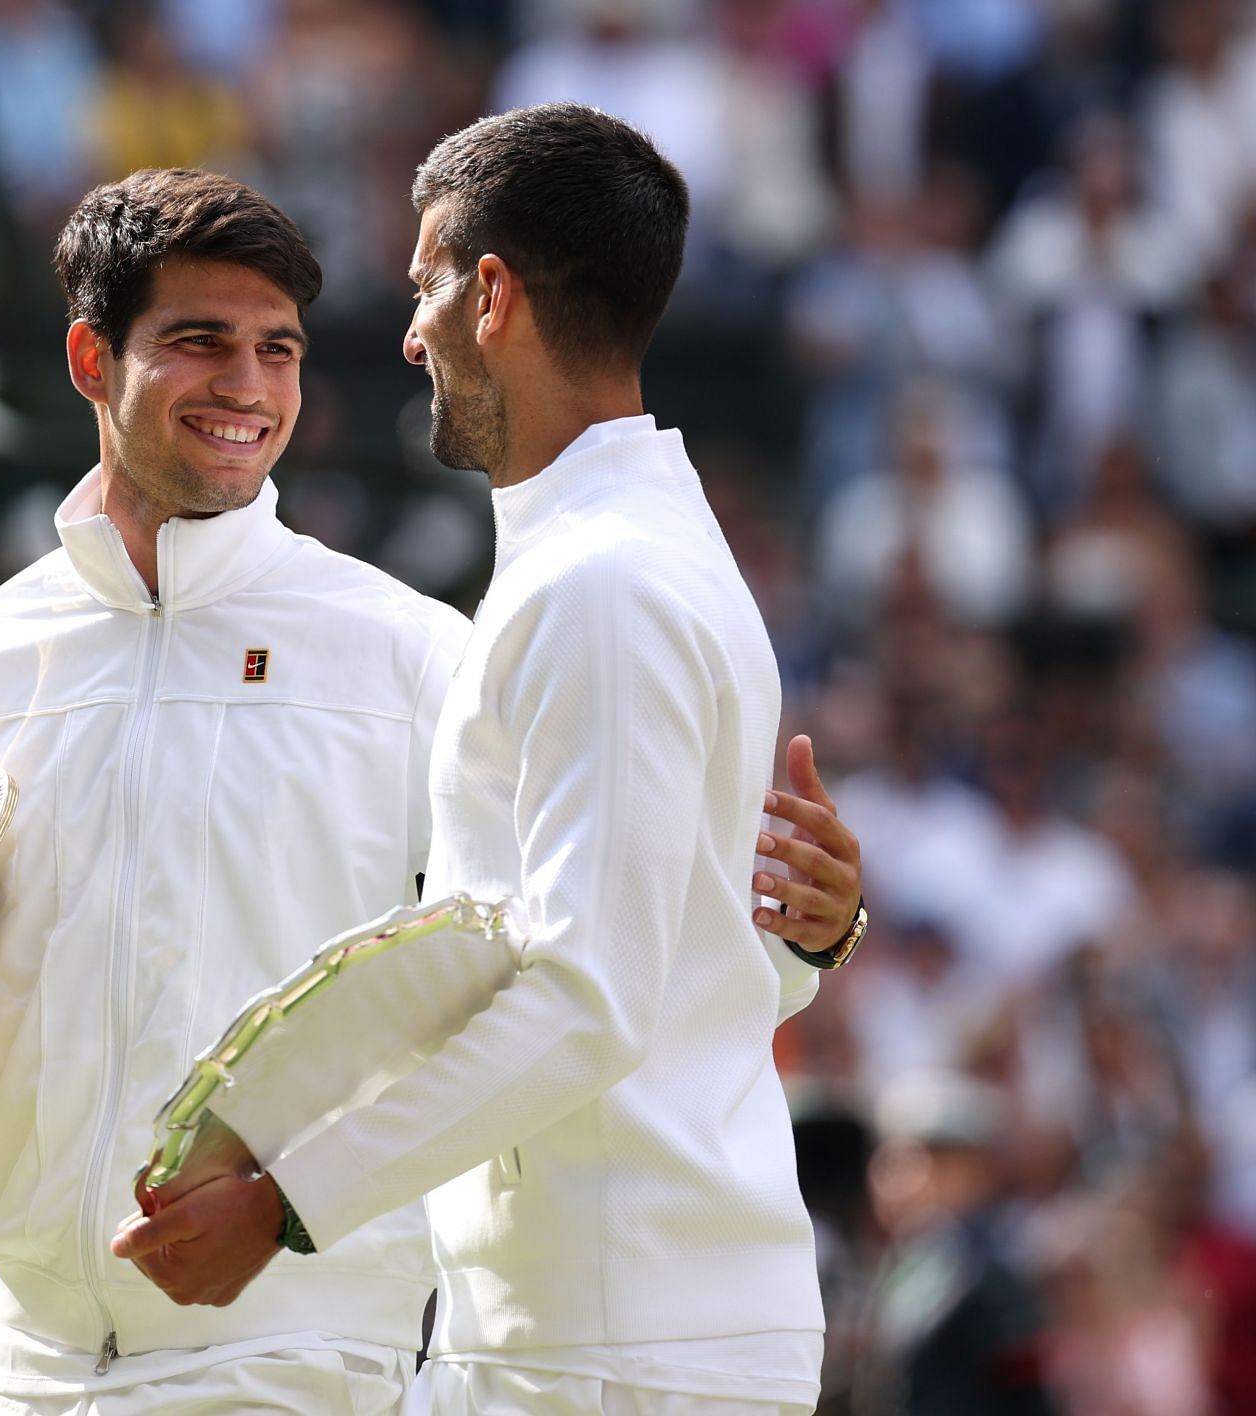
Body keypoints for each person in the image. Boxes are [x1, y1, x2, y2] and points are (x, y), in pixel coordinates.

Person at [0, 166, 861, 1414]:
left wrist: (810, 928)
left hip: (307, 1364)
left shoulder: (418, 654)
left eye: (279, 350)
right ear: (93, 359)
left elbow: (615, 963)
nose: (248, 387)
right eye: (201, 344)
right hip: (26, 1364)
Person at [112, 109, 859, 1416]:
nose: (410, 333)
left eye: (422, 285)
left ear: (492, 292)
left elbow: (591, 996)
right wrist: (800, 942)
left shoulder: (602, 586)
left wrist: (287, 1204)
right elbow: (661, 968)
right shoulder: (628, 555)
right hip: (585, 1329)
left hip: (607, 1347)